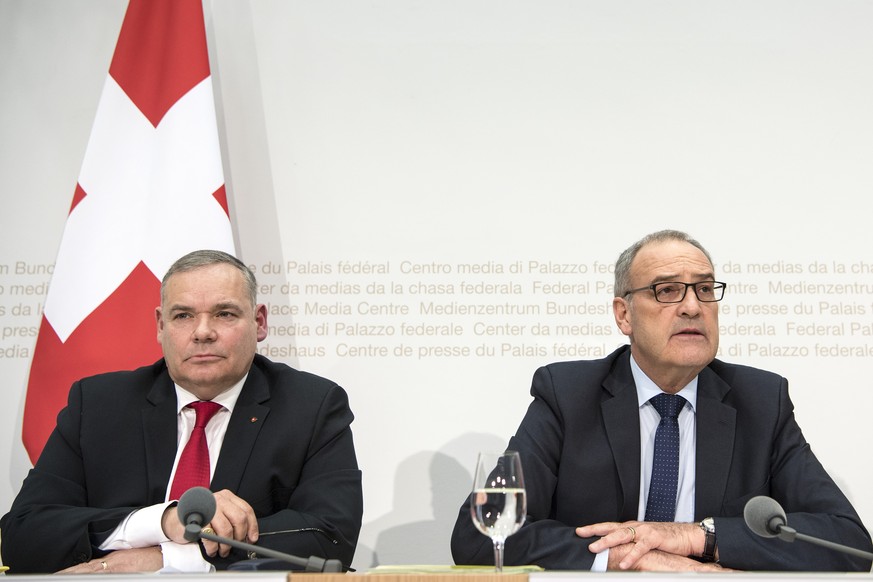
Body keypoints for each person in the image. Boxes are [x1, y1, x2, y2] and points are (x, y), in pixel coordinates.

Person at [451, 229, 872, 572]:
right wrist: (635, 559)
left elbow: (849, 543)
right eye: (667, 291)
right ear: (624, 315)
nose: (693, 307)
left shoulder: (761, 401)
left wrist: (698, 538)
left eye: (705, 289)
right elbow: (481, 537)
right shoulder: (567, 394)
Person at [1, 250, 363, 573]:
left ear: (260, 322)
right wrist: (163, 521)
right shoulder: (96, 405)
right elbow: (22, 534)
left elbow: (329, 538)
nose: (203, 332)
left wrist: (168, 559)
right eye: (184, 315)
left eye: (224, 313)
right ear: (161, 325)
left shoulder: (311, 406)